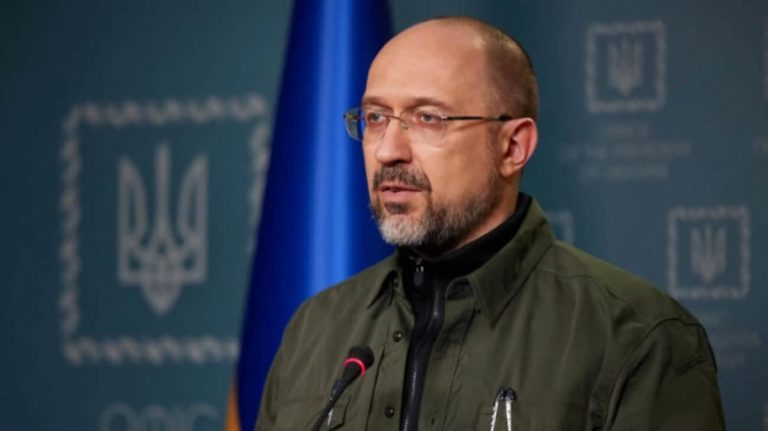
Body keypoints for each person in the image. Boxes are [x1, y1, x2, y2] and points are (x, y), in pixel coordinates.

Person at [255, 16, 725, 430]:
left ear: (512, 147)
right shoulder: (315, 329)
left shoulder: (637, 336)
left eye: (428, 118)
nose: (388, 150)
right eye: (376, 118)